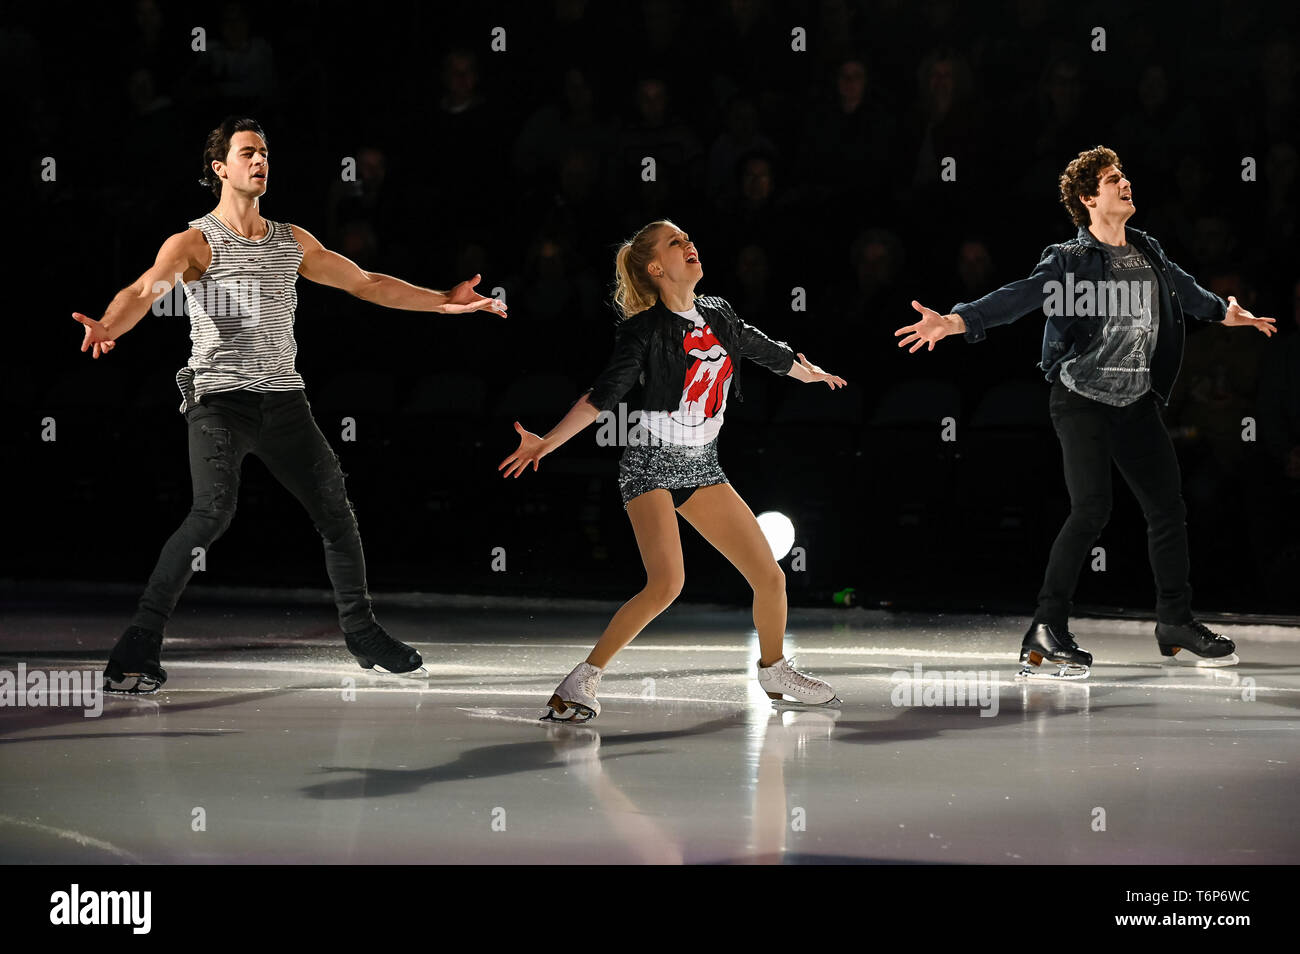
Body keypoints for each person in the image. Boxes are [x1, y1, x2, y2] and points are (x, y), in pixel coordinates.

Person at [73, 116, 507, 692]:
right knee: (212, 514)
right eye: (248, 152)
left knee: (337, 514)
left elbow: (367, 282)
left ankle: (362, 632)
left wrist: (442, 303)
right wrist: (110, 324)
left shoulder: (290, 240)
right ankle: (139, 643)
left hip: (285, 405)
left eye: (266, 153)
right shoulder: (194, 243)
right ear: (220, 168)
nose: (260, 162)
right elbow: (143, 290)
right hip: (219, 404)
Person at [894, 145, 1275, 679]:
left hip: (1136, 402)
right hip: (1082, 401)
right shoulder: (1070, 259)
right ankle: (1046, 627)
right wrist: (959, 322)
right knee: (1091, 508)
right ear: (1087, 197)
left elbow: (1183, 291)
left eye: (1124, 177)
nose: (1125, 184)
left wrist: (1224, 311)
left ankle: (1175, 623)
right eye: (1114, 179)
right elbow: (1021, 296)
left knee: (1167, 507)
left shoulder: (1148, 250)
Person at [500, 220, 847, 721]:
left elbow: (760, 347)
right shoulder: (643, 330)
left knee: (770, 577)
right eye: (675, 242)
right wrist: (548, 441)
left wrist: (803, 368)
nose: (690, 244)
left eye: (688, 237)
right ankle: (579, 682)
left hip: (703, 464)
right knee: (666, 584)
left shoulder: (718, 313)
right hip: (650, 461)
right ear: (656, 267)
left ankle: (773, 670)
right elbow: (604, 395)